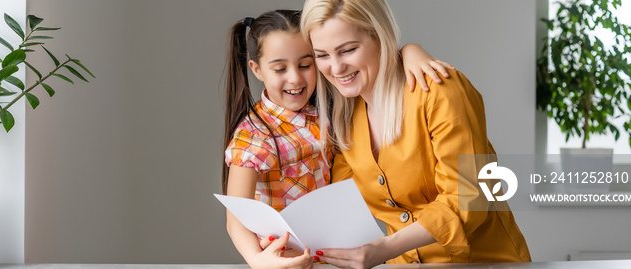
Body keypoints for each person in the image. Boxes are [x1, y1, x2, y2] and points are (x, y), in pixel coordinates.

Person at [300, 0, 532, 267]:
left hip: (482, 261)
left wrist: (384, 248)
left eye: (348, 50)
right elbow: (340, 204)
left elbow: (468, 197)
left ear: (380, 36)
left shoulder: (440, 92)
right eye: (322, 55)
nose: (336, 68)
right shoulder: (344, 117)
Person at [222, 9, 455, 269]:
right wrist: (257, 260)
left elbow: (467, 197)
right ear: (256, 69)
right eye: (279, 68)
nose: (295, 78)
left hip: (333, 259)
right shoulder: (254, 136)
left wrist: (410, 50)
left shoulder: (329, 112)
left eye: (306, 64)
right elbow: (236, 216)